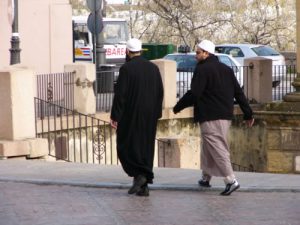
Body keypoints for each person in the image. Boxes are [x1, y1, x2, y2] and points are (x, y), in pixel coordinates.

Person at [173, 40, 254, 196]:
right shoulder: (226, 69)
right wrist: (248, 113)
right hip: (225, 115)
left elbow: (194, 93)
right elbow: (239, 93)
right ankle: (206, 177)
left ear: (206, 53)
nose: (195, 55)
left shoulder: (202, 70)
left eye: (198, 52)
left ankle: (231, 180)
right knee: (208, 146)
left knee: (217, 148)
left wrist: (178, 107)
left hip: (210, 116)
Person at [110, 38, 164, 197]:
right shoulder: (153, 68)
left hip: (131, 114)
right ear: (141, 50)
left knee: (128, 145)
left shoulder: (126, 69)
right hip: (150, 115)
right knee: (146, 146)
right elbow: (160, 92)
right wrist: (157, 113)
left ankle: (139, 176)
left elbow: (121, 95)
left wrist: (115, 116)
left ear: (127, 51)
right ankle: (144, 185)